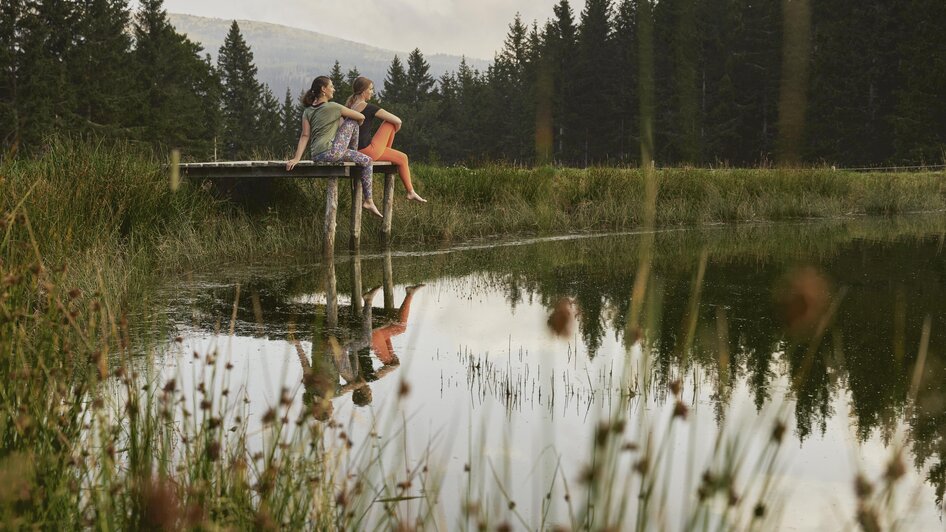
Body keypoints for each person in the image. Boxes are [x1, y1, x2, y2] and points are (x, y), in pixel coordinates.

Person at [287, 76, 382, 217]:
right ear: (323, 90)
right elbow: (360, 117)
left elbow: (305, 136)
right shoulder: (334, 107)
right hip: (332, 152)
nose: (334, 89)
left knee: (352, 128)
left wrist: (296, 158)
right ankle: (368, 200)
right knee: (356, 130)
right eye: (331, 86)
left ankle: (352, 155)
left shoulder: (307, 111)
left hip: (317, 155)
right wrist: (353, 124)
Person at [346, 77, 427, 203]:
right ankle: (410, 191)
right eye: (371, 89)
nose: (372, 92)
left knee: (402, 157)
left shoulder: (349, 107)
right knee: (390, 124)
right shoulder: (368, 107)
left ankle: (411, 191)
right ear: (363, 91)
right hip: (368, 151)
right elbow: (398, 121)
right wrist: (395, 129)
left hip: (355, 152)